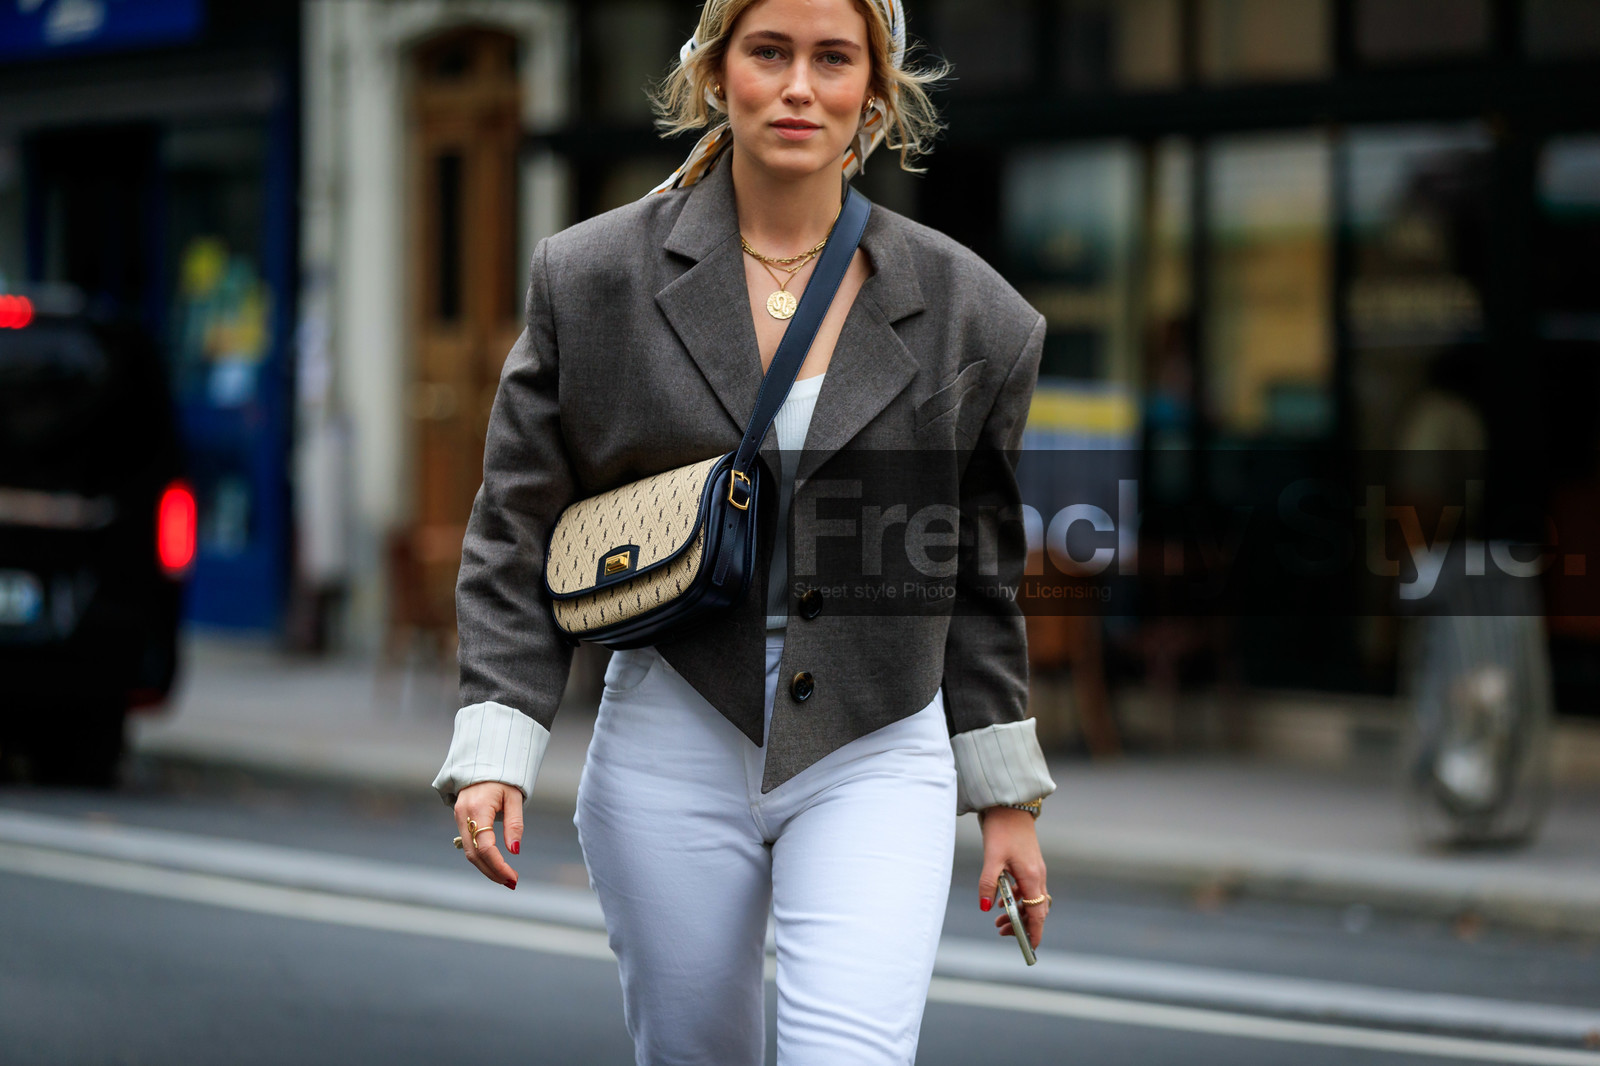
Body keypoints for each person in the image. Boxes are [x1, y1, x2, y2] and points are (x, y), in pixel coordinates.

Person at [430, 1, 1057, 1061]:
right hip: (673, 729)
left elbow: (979, 575)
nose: (799, 86)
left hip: (876, 744)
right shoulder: (591, 280)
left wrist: (1006, 798)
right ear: (717, 72)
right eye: (769, 53)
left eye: (832, 58)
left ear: (875, 87)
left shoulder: (974, 315)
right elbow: (512, 527)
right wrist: (496, 745)